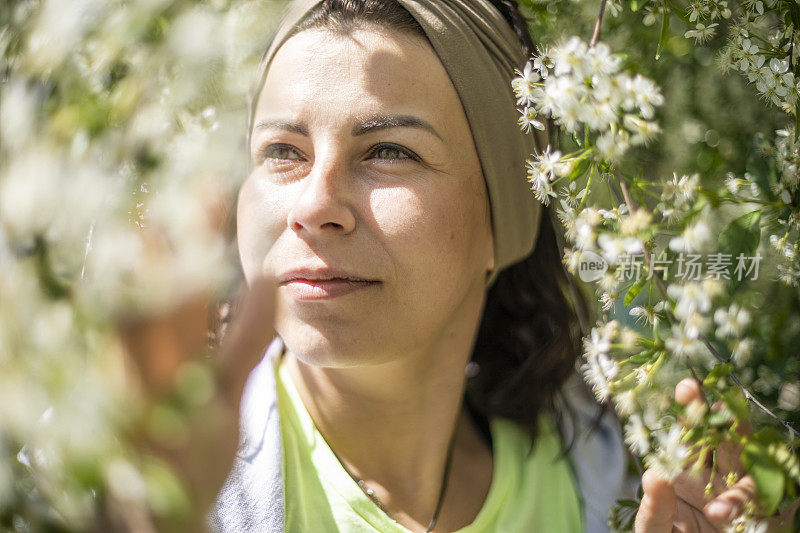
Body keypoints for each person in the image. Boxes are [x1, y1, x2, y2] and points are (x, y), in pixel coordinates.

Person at [122, 0, 781, 531]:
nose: (314, 204)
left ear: (505, 212)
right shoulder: (146, 474)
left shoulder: (616, 483)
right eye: (282, 151)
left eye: (388, 152)